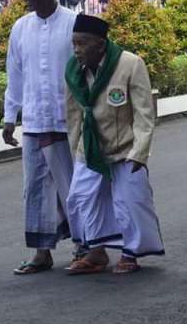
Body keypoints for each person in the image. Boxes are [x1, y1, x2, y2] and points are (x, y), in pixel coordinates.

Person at [64, 14, 164, 273]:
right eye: (74, 43)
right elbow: (73, 115)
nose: (76, 49)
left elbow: (144, 115)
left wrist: (139, 153)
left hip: (125, 148)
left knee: (129, 202)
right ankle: (96, 253)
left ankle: (130, 253)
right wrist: (76, 151)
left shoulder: (130, 64)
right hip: (90, 148)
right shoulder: (72, 71)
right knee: (79, 198)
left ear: (100, 44)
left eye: (82, 43)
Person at [3, 0, 81, 275]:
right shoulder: (21, 28)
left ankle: (84, 245)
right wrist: (10, 117)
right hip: (34, 121)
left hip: (69, 122)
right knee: (34, 187)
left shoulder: (74, 23)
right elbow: (15, 74)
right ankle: (41, 251)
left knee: (73, 186)